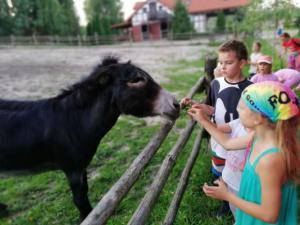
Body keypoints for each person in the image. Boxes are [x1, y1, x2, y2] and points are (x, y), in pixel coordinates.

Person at [188, 81, 299, 225]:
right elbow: (227, 144)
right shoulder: (258, 136)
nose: (237, 109)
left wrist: (227, 196)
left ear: (258, 118)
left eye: (241, 106)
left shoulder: (270, 159)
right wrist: (203, 120)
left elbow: (269, 215)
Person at [181, 39, 252, 216]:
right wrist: (196, 105)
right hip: (219, 140)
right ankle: (226, 202)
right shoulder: (216, 84)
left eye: (229, 62)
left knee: (237, 174)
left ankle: (239, 203)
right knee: (221, 171)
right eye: (221, 62)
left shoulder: (251, 89)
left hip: (241, 143)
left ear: (242, 63)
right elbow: (213, 108)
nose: (223, 67)